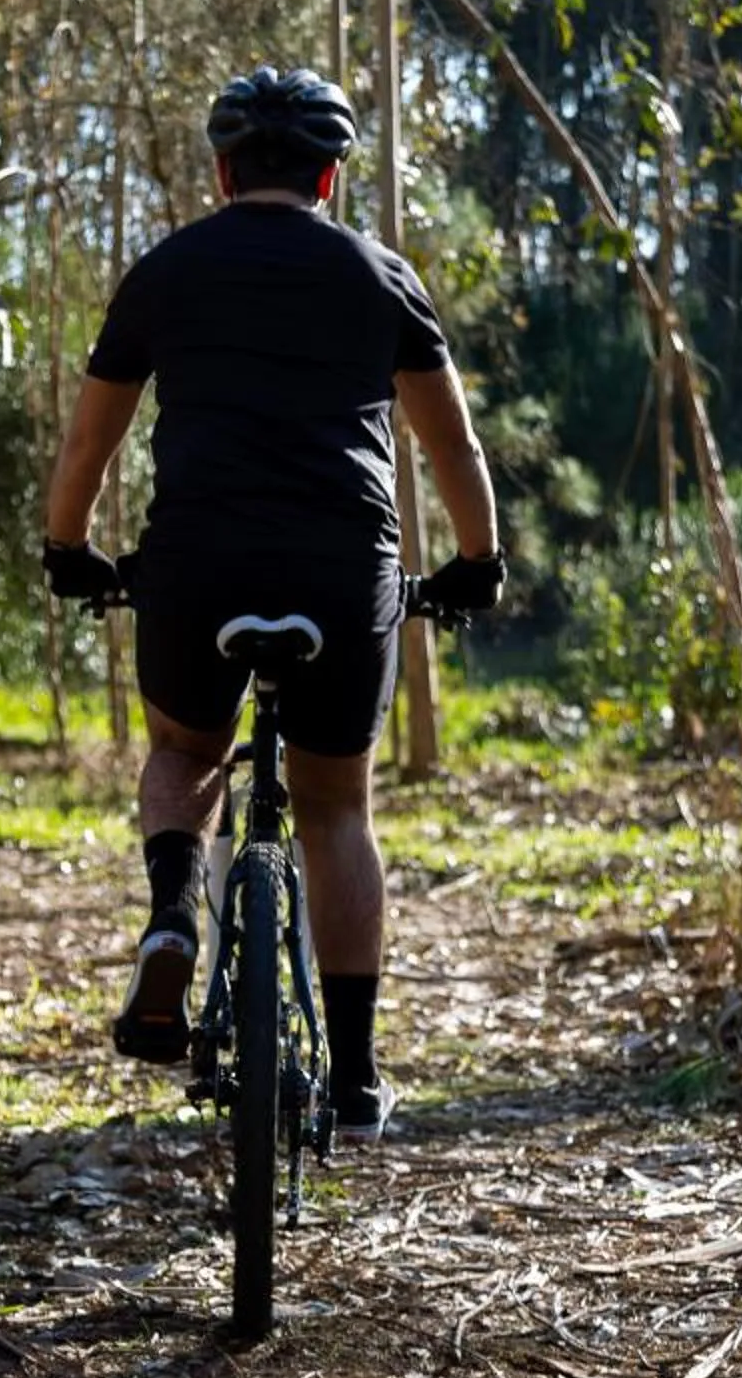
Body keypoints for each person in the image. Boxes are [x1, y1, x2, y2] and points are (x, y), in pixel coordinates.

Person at [38, 65, 505, 1145]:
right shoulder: (381, 276)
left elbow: (87, 444)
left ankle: (171, 918)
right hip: (343, 570)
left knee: (186, 752)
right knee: (336, 807)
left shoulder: (165, 271)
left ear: (222, 169)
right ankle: (353, 1073)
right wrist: (477, 563)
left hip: (195, 565)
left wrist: (68, 549)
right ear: (332, 177)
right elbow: (451, 446)